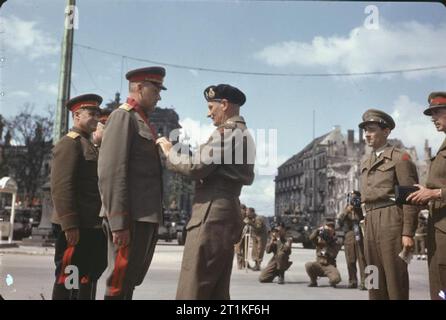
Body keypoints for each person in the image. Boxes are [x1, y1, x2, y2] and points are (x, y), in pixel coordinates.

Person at [157, 83, 255, 299]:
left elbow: (196, 167)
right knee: (215, 291)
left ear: (225, 105)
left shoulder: (228, 133)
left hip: (211, 213)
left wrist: (169, 152)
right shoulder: (242, 133)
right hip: (222, 210)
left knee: (195, 288)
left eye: (211, 107)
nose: (208, 112)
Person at [98, 66, 166, 300]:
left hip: (142, 217)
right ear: (138, 87)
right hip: (129, 219)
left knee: (128, 281)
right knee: (118, 282)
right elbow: (111, 172)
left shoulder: (141, 121)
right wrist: (118, 222)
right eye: (155, 88)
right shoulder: (122, 116)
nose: (159, 95)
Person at [50, 94, 107, 300]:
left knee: (87, 276)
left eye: (98, 115)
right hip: (76, 226)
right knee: (68, 277)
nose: (97, 119)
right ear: (76, 115)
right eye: (91, 114)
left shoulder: (89, 145)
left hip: (91, 225)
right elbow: (61, 187)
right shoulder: (70, 143)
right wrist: (70, 224)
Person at [359, 109, 419, 300]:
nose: (367, 134)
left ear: (386, 131)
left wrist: (408, 232)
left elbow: (410, 197)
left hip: (391, 220)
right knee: (372, 277)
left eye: (372, 129)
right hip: (369, 222)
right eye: (365, 130)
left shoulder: (400, 158)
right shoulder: (364, 162)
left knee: (395, 279)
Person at [407, 92, 446, 299]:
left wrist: (434, 193)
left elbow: (439, 190)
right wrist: (424, 193)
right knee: (439, 287)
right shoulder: (442, 147)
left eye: (437, 113)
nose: (433, 119)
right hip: (437, 226)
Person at [337, 191, 367, 290]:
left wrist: (359, 210)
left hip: (360, 234)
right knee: (350, 259)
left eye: (356, 198)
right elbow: (339, 222)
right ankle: (352, 281)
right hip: (349, 234)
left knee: (362, 259)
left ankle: (364, 282)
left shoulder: (362, 208)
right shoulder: (346, 208)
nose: (354, 200)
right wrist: (347, 211)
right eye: (352, 198)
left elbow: (366, 219)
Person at [305, 219, 341, 288]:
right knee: (308, 265)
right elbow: (311, 238)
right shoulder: (320, 238)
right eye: (328, 227)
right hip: (319, 264)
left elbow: (333, 254)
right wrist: (318, 230)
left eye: (331, 228)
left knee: (336, 279)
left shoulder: (336, 241)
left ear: (333, 230)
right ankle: (313, 281)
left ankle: (331, 280)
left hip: (329, 265)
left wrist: (328, 242)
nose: (329, 229)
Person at [234, 204, 248, 269]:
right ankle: (244, 264)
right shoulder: (245, 213)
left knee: (239, 249)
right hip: (244, 232)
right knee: (245, 249)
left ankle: (240, 264)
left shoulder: (236, 212)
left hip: (238, 233)